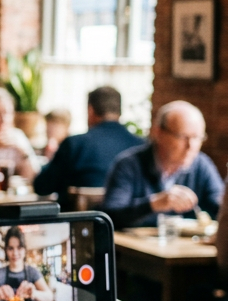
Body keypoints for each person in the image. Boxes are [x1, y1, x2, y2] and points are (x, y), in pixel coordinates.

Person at [101, 100, 224, 228]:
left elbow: (219, 206)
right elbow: (110, 216)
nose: (191, 146)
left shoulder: (201, 164)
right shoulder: (129, 165)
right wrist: (154, 203)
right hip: (137, 245)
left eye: (197, 138)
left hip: (186, 247)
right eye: (183, 137)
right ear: (158, 133)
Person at [33, 87, 144, 198]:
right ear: (119, 111)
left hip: (81, 215)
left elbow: (42, 187)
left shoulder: (74, 145)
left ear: (90, 110)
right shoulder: (141, 146)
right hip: (131, 215)